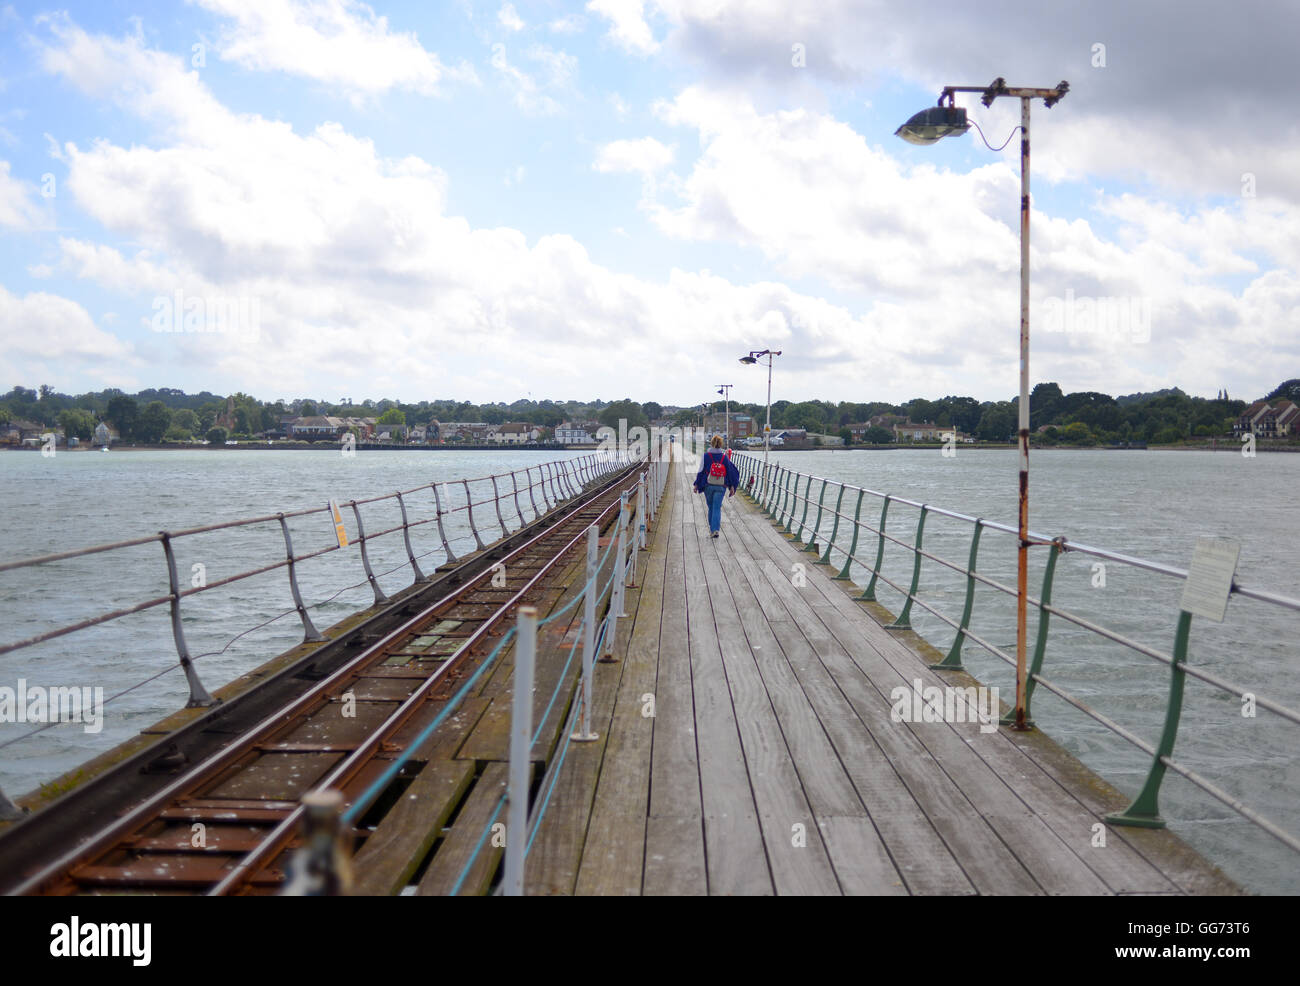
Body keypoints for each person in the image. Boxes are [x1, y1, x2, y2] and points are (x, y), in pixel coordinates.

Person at [693, 435, 740, 539]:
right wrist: (732, 486)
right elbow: (729, 472)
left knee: (711, 507)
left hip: (708, 485)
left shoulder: (705, 456)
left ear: (711, 443)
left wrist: (696, 484)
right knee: (716, 507)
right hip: (721, 485)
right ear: (720, 444)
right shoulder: (724, 457)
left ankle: (712, 528)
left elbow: (700, 471)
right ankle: (715, 529)